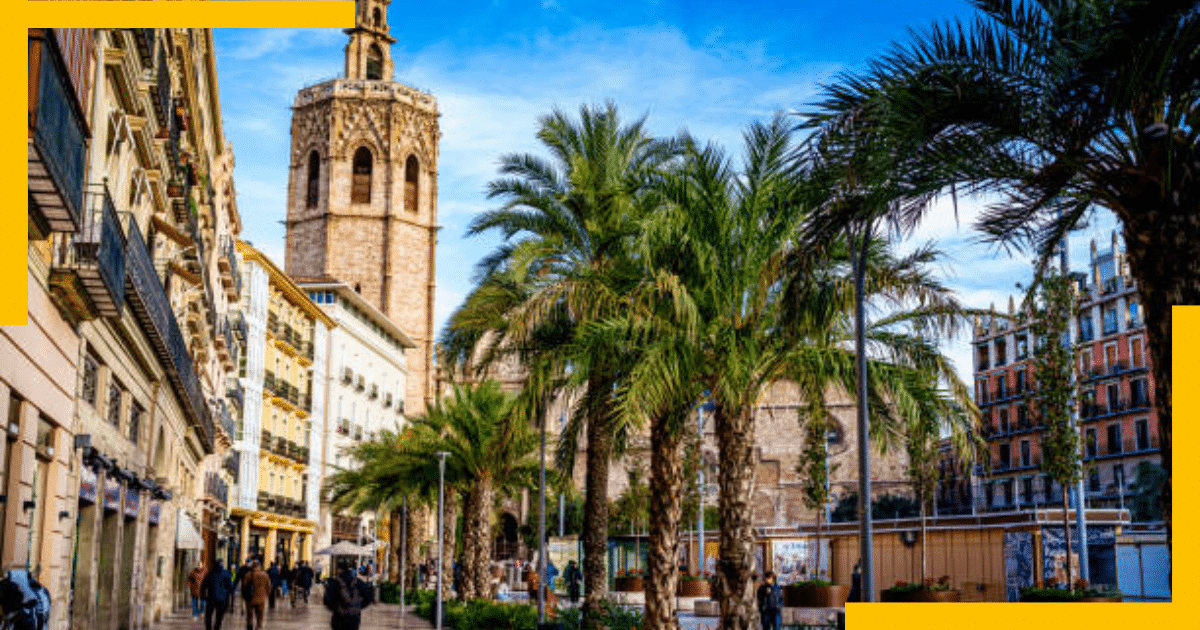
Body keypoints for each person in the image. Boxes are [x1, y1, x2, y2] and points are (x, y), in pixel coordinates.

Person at [324, 560, 374, 630]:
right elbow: (369, 596)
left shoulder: (335, 582)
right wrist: (359, 606)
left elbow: (327, 599)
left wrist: (336, 608)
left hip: (339, 617)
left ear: (338, 569)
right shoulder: (357, 581)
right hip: (354, 618)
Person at [200, 560, 234, 630]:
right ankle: (216, 628)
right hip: (222, 599)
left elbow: (203, 586)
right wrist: (230, 600)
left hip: (211, 598)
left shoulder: (210, 574)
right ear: (222, 565)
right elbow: (231, 588)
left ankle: (208, 628)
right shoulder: (227, 574)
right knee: (219, 617)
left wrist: (203, 597)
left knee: (208, 616)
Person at [242, 561, 271, 630]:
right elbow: (268, 587)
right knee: (260, 616)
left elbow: (244, 586)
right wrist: (266, 595)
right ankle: (258, 627)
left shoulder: (248, 575)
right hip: (261, 599)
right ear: (259, 566)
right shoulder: (265, 575)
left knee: (250, 616)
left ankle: (250, 626)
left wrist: (244, 597)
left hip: (250, 599)